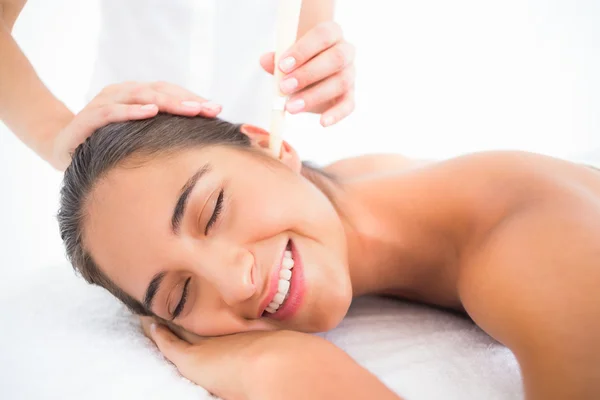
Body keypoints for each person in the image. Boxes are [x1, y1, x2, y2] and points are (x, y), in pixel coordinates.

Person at [58, 114, 600, 400]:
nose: (236, 283)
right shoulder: (354, 182)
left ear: (271, 145)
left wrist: (281, 368)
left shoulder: (536, 248)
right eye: (180, 294)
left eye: (213, 210)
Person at [0, 0, 355, 170]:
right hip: (123, 168)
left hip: (261, 162)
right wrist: (54, 135)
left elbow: (304, 41)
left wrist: (318, 80)